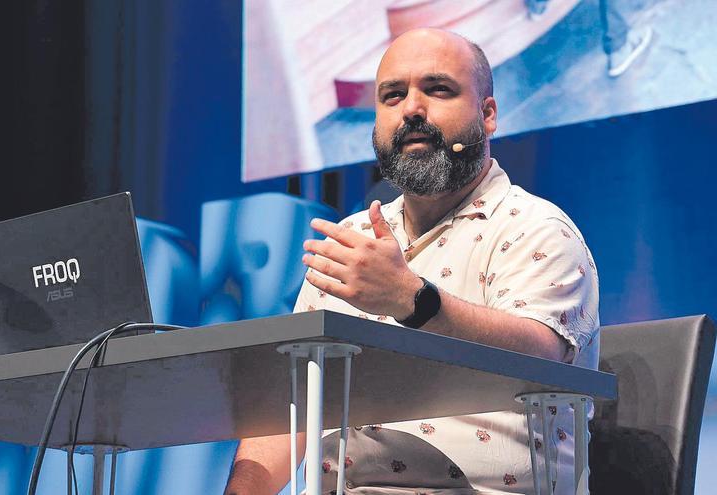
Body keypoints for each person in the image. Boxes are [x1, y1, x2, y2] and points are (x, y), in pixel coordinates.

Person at [225, 28, 599, 495]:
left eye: (438, 89)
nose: (412, 109)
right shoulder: (354, 239)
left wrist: (413, 300)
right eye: (393, 95)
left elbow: (542, 357)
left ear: (487, 114)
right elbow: (295, 398)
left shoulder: (535, 227)